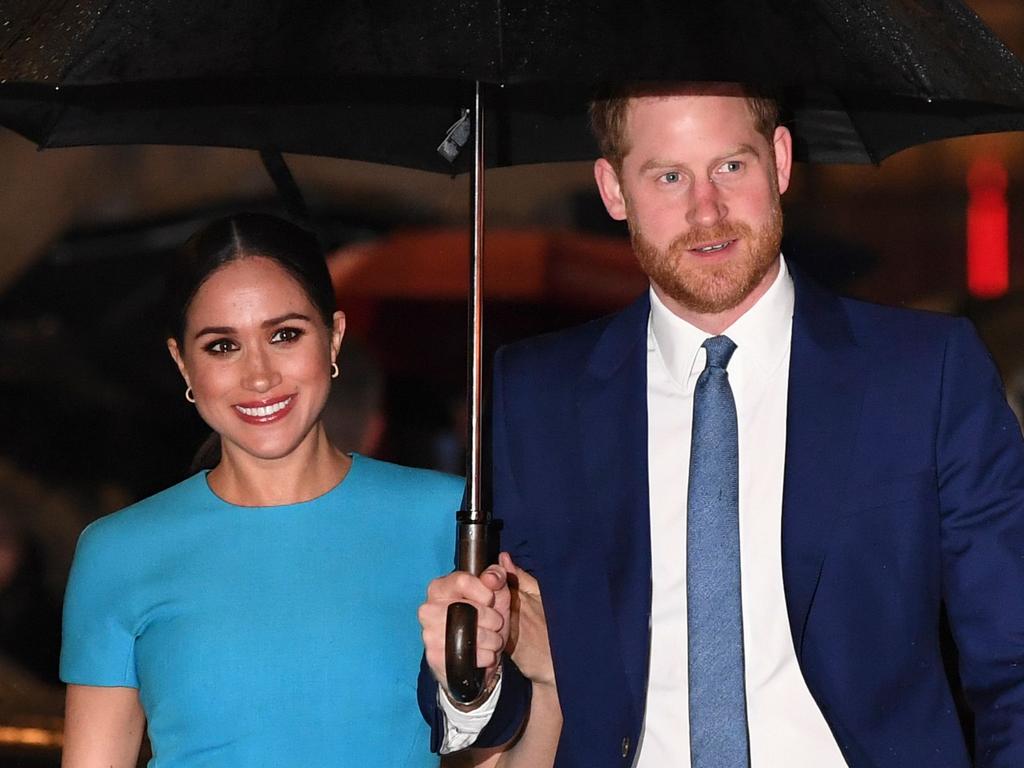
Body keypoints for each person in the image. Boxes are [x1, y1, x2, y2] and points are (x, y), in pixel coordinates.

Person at [418, 82, 1024, 767]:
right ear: (614, 190)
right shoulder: (539, 393)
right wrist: (475, 674)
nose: (706, 210)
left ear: (782, 161)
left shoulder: (925, 373)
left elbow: (1014, 656)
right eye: (669, 176)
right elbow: (524, 668)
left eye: (731, 166)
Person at [60, 212, 463, 767]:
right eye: (222, 346)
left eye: (284, 334)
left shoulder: (449, 518)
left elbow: (500, 749)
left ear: (335, 338)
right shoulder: (118, 552)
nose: (258, 375)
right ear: (182, 363)